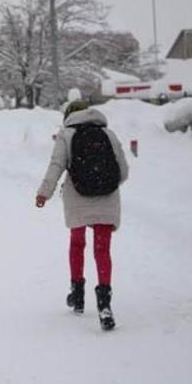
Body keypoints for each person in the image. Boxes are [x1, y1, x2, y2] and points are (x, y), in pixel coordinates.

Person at [35, 101, 129, 331]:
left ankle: (77, 295)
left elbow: (56, 165)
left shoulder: (66, 134)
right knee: (102, 249)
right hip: (107, 196)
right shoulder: (108, 134)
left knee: (77, 244)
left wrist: (44, 193)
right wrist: (103, 183)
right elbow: (123, 171)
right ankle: (104, 304)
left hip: (77, 196)